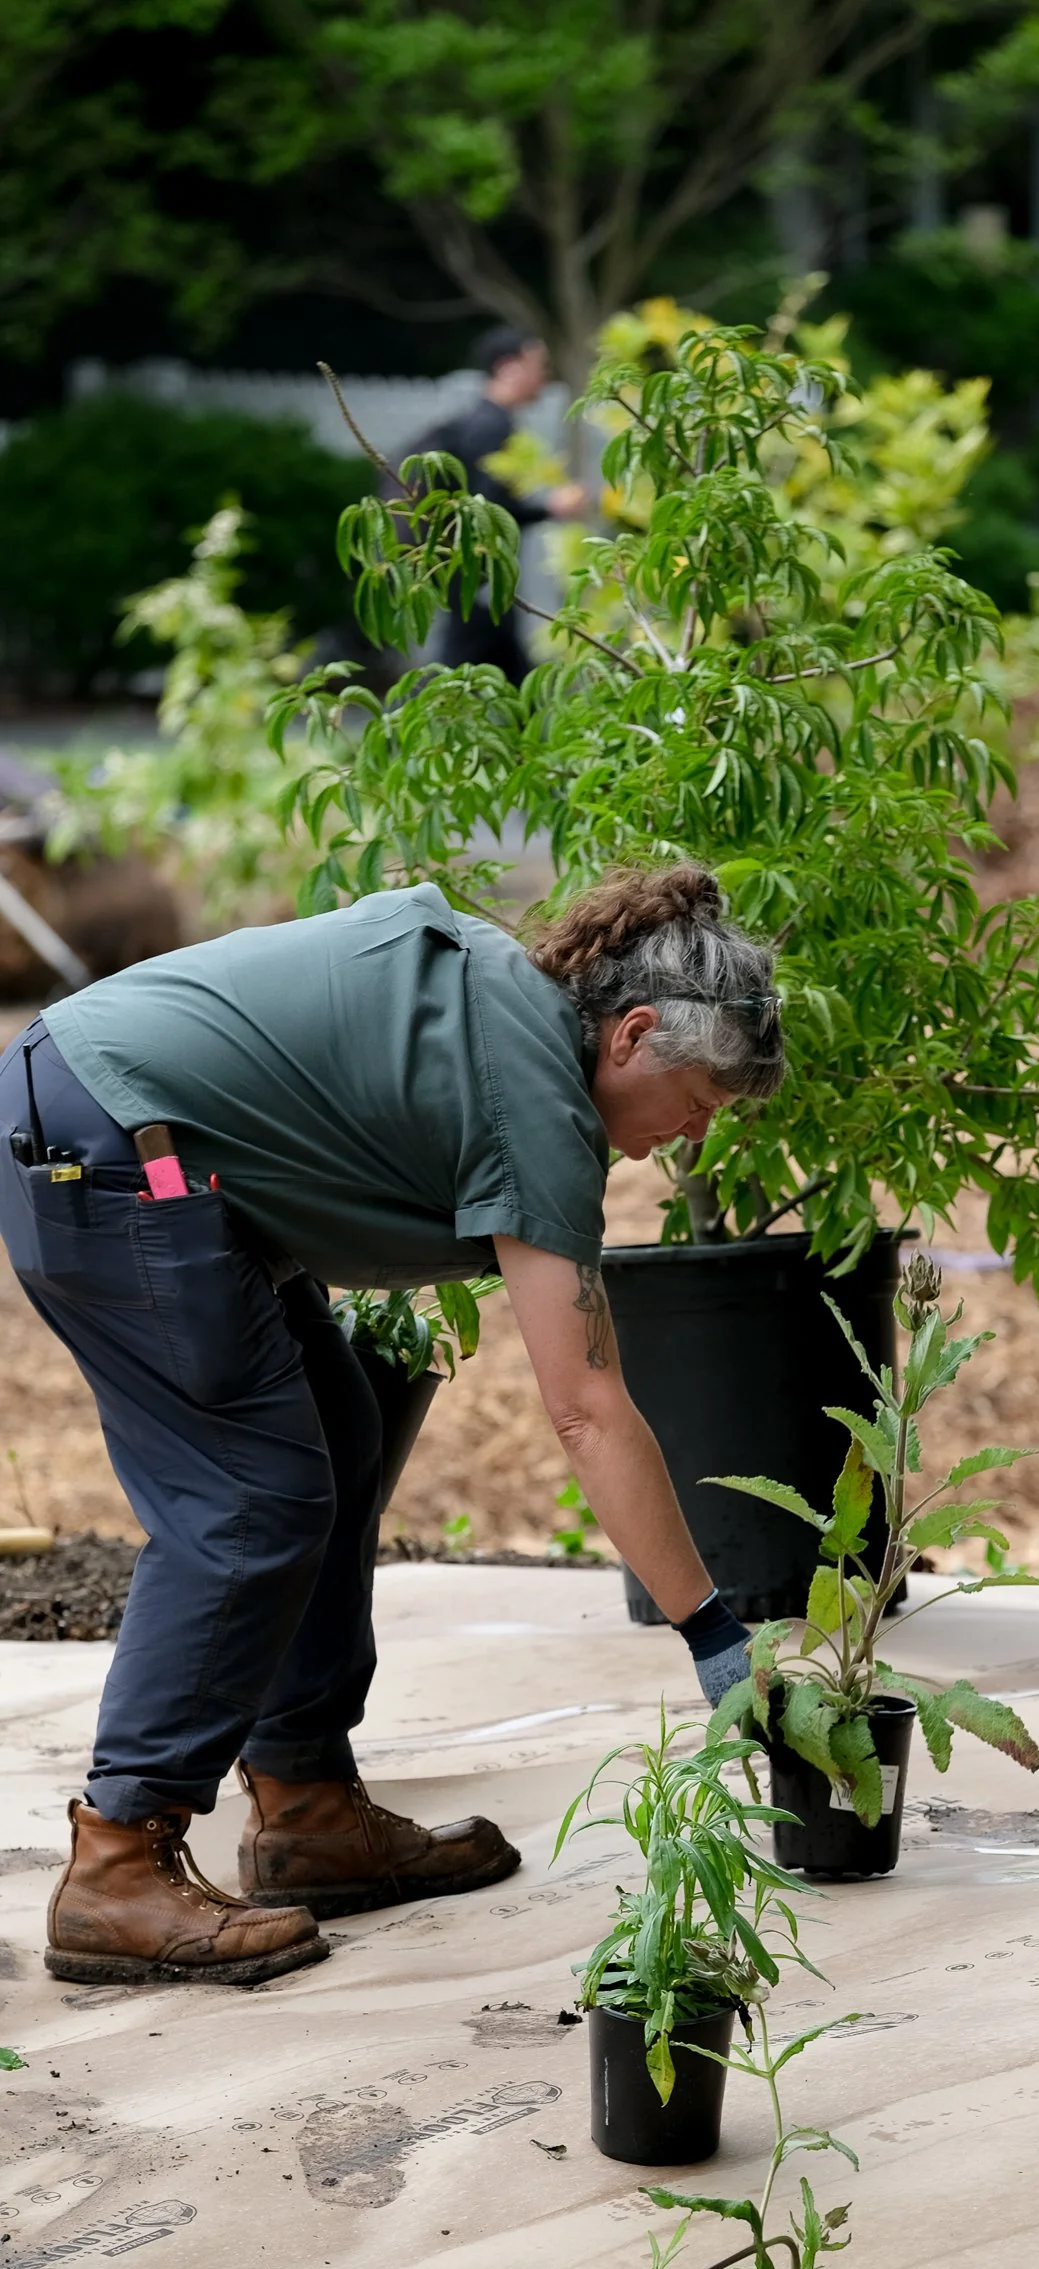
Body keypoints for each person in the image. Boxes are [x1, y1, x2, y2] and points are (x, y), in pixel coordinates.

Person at [0, 862, 775, 1989]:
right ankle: (119, 1860)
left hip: (136, 1131)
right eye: (699, 1100)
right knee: (252, 1498)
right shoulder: (539, 1102)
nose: (690, 1134)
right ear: (632, 1033)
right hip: (109, 1144)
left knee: (338, 1432)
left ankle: (306, 1808)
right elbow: (586, 1408)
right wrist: (712, 1633)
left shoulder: (512, 1021)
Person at [399, 325, 588, 684]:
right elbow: (487, 508)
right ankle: (399, 737)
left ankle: (528, 737)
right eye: (537, 364)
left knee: (506, 675)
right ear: (508, 367)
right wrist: (552, 507)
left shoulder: (486, 422)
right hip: (477, 576)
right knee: (453, 674)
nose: (544, 375)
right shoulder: (490, 427)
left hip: (479, 577)